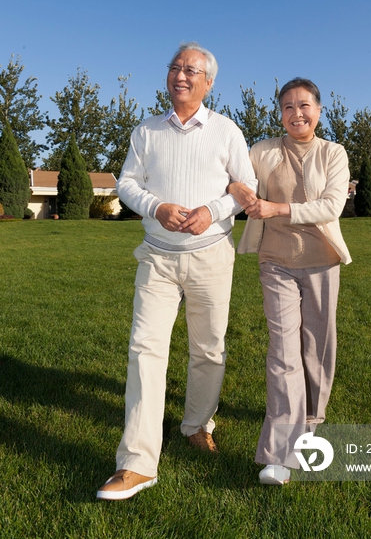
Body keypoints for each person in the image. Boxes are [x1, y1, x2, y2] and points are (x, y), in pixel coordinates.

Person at [97, 42, 256, 500]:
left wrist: (211, 210)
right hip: (157, 257)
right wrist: (156, 206)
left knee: (208, 349)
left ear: (209, 82)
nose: (180, 75)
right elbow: (126, 183)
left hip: (211, 255)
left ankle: (195, 424)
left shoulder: (228, 131)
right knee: (145, 350)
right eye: (174, 68)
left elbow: (247, 188)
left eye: (191, 70)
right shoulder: (145, 131)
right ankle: (138, 464)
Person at [228, 77, 351, 485]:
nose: (296, 114)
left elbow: (331, 204)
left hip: (321, 262)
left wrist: (274, 207)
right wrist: (239, 190)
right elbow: (235, 176)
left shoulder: (333, 153)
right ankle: (280, 454)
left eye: (304, 106)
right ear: (279, 114)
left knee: (317, 348)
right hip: (275, 261)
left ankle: (311, 420)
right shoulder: (263, 151)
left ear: (318, 110)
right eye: (287, 107)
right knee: (283, 350)